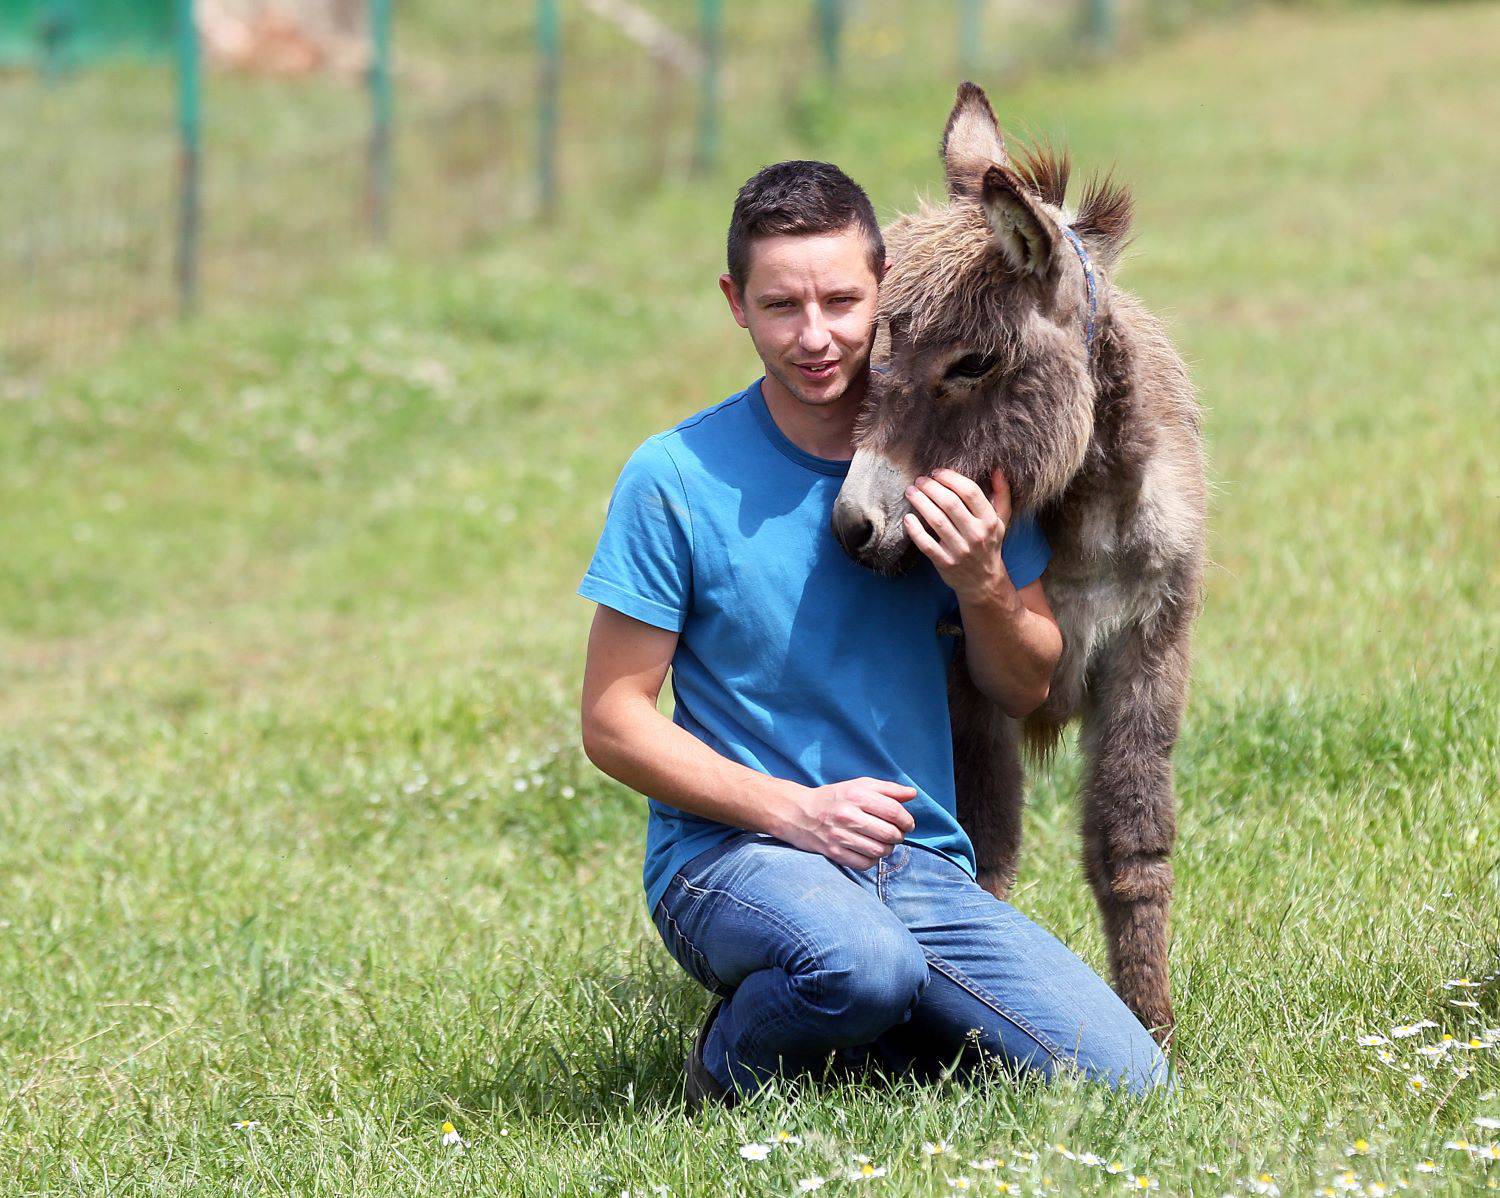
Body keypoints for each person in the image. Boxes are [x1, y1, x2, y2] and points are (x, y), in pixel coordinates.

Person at [576, 160, 1175, 1110]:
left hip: (916, 863)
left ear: (884, 287)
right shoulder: (671, 476)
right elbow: (613, 723)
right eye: (780, 305)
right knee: (861, 967)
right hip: (732, 857)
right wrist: (790, 812)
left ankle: (866, 1037)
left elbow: (1026, 687)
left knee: (1125, 1078)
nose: (815, 336)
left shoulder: (965, 440)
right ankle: (728, 1064)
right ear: (736, 304)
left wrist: (984, 584)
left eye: (842, 300)